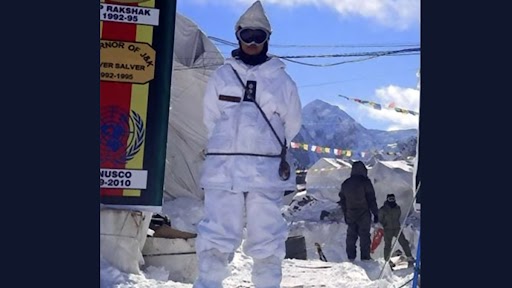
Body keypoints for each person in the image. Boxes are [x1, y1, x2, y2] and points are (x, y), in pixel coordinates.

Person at [193, 1, 303, 288]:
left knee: (267, 239)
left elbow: (292, 124)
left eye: (259, 36)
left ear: (267, 39)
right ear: (238, 36)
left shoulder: (283, 82)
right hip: (223, 170)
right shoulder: (221, 76)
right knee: (215, 236)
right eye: (247, 36)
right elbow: (210, 118)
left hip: (263, 174)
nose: (252, 42)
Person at [338, 161, 379, 261]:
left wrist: (345, 214)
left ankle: (351, 257)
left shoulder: (346, 183)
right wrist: (376, 213)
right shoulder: (366, 182)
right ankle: (365, 258)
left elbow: (342, 201)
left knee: (351, 236)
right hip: (364, 214)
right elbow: (371, 199)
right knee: (364, 236)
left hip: (350, 213)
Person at [378, 194, 414, 262]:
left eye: (392, 199)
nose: (391, 201)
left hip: (397, 228)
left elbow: (398, 216)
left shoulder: (397, 208)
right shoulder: (383, 209)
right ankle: (387, 261)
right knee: (388, 246)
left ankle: (409, 256)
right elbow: (380, 219)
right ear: (387, 199)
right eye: (390, 199)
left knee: (404, 242)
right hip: (388, 230)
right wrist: (384, 225)